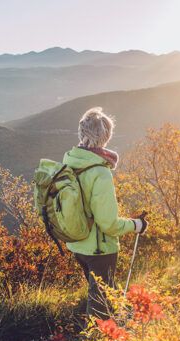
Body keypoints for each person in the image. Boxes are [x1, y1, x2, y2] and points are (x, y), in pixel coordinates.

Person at [62, 107, 148, 319]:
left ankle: (116, 327)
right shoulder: (100, 172)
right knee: (100, 305)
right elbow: (108, 224)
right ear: (106, 136)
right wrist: (136, 225)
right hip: (99, 249)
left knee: (104, 292)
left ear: (82, 133)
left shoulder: (69, 162)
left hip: (77, 243)